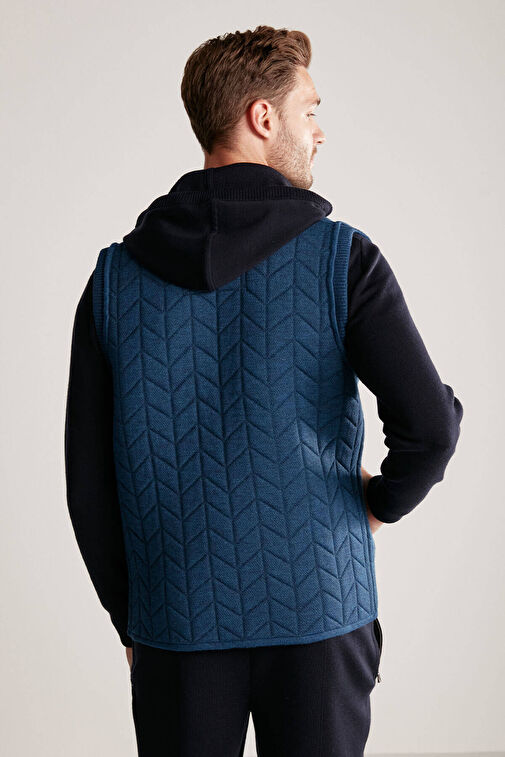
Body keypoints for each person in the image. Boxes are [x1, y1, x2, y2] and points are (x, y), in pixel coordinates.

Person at [64, 24, 463, 757]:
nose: (319, 130)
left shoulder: (114, 280)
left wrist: (133, 618)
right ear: (262, 117)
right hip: (320, 607)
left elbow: (87, 485)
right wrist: (376, 506)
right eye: (309, 110)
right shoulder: (342, 259)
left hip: (176, 619)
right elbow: (430, 428)